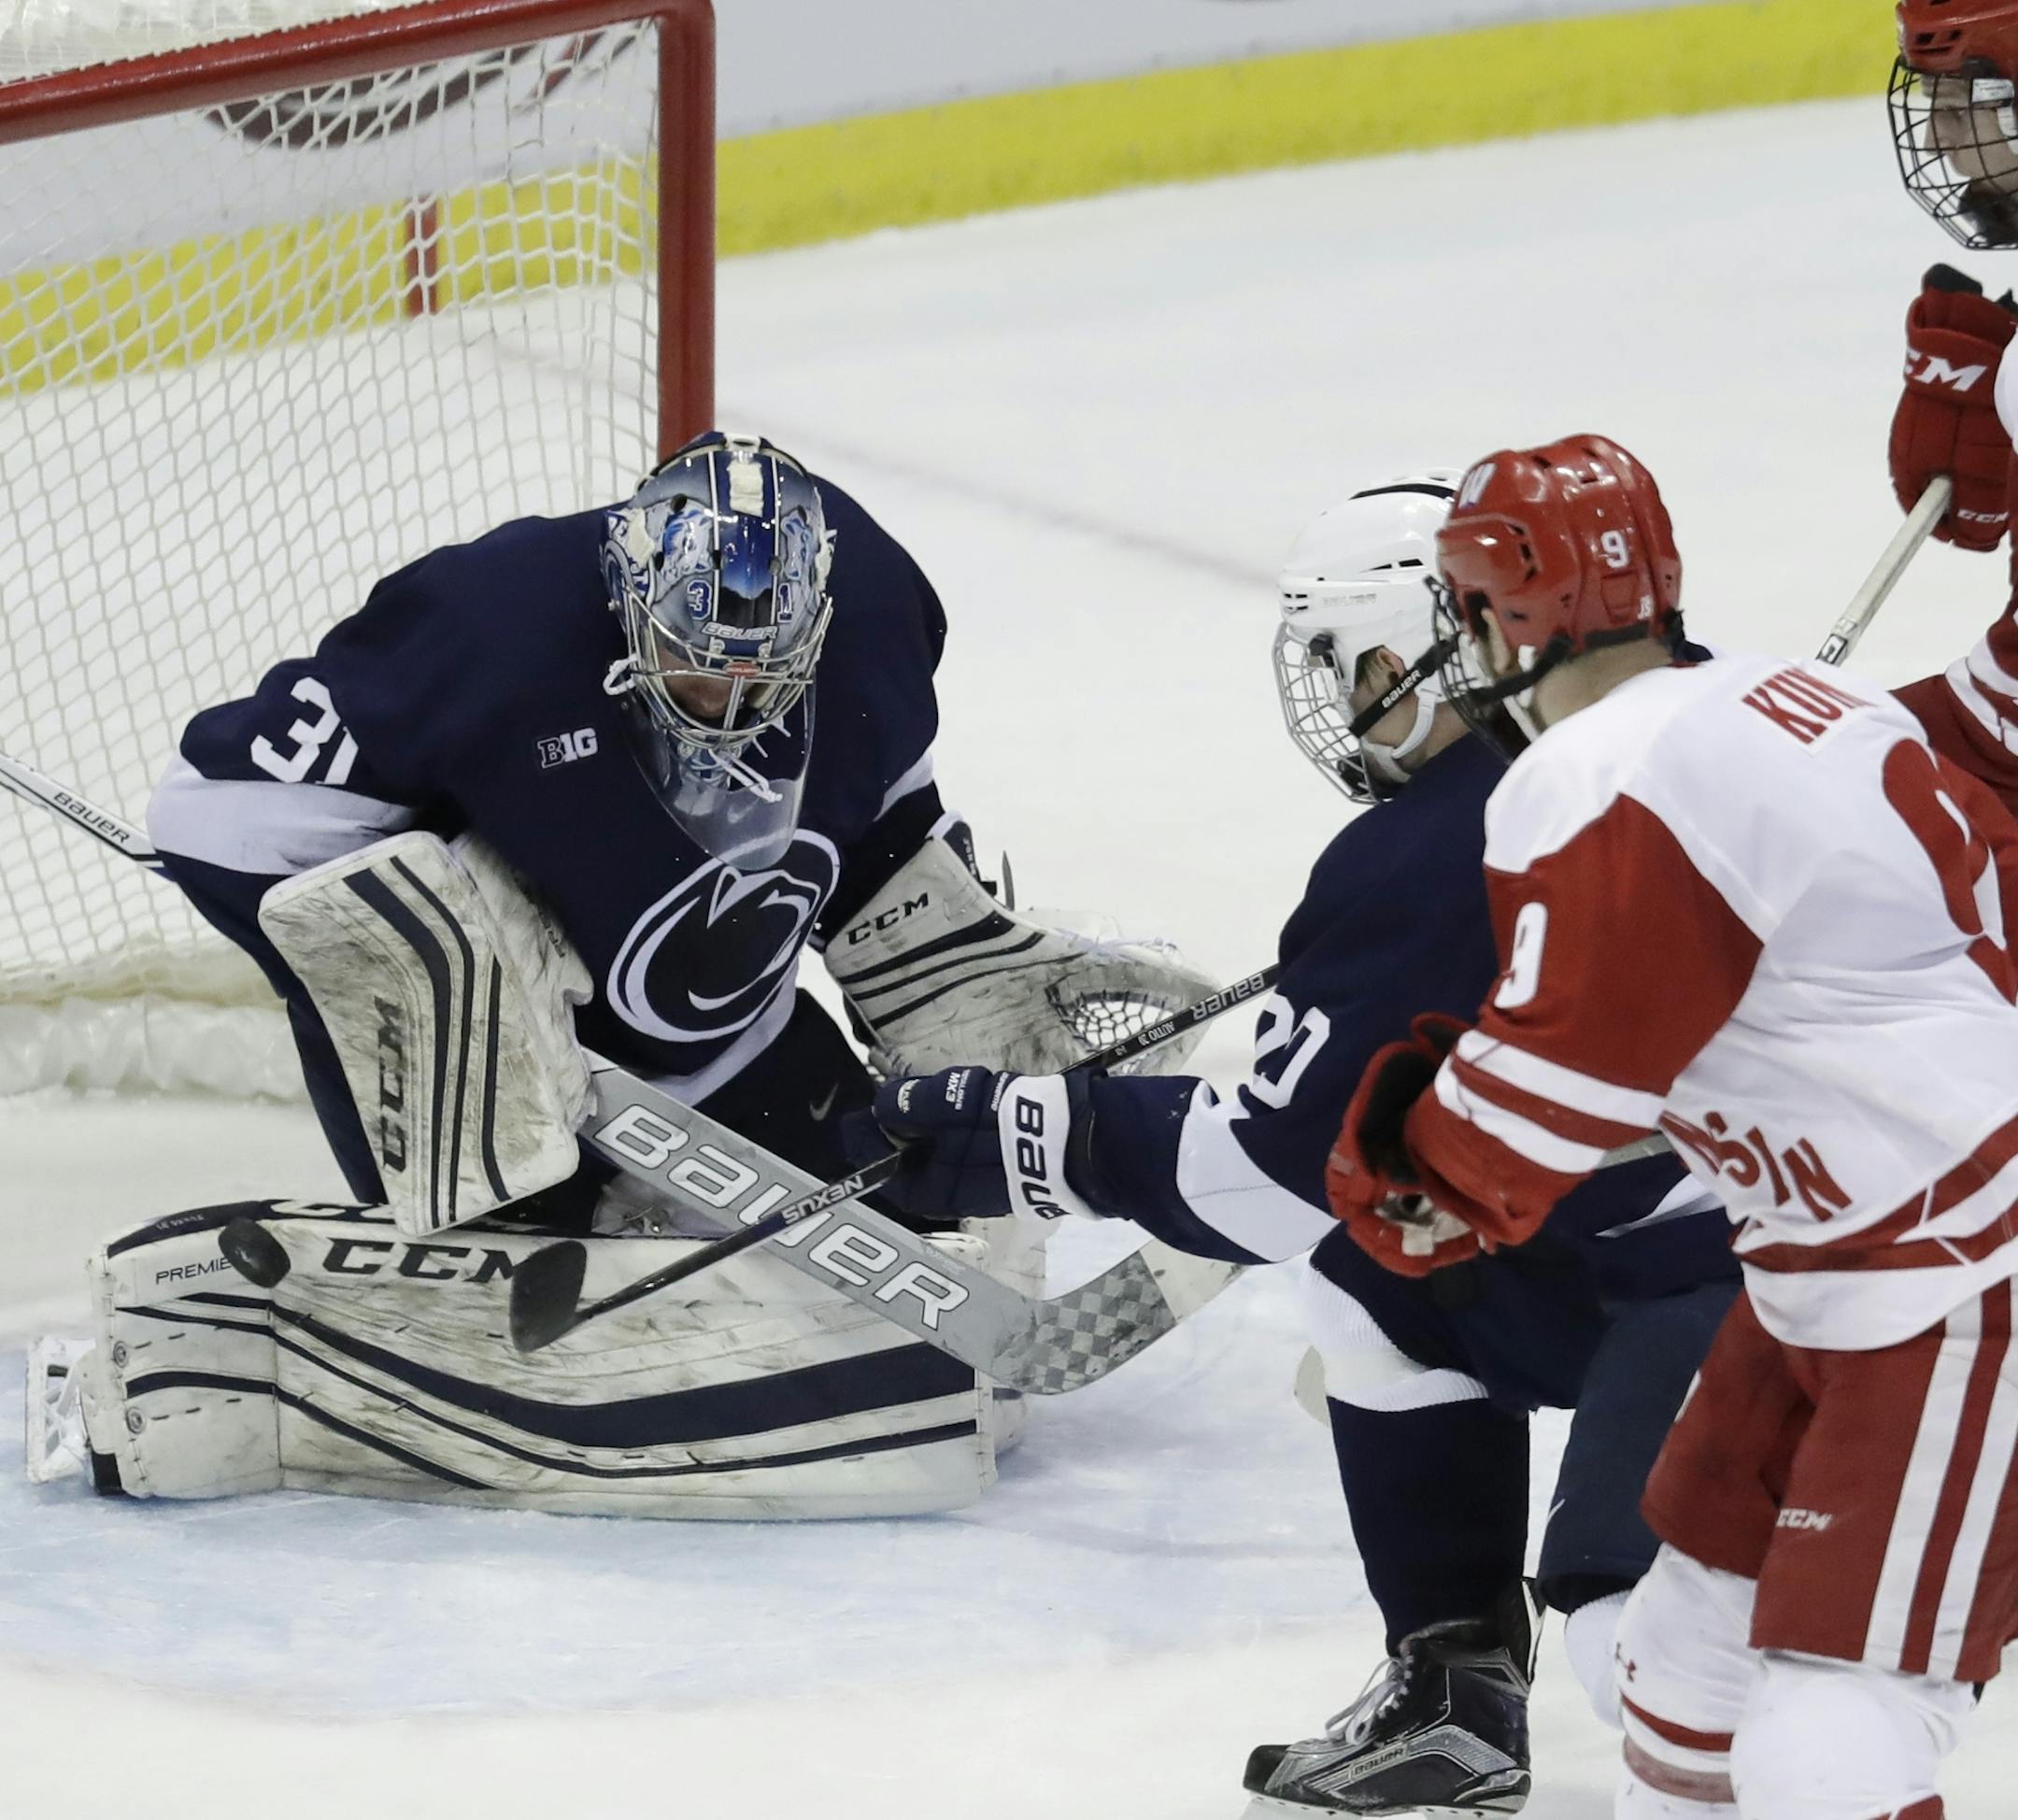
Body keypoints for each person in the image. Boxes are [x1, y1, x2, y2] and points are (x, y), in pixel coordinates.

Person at [22, 431, 1211, 1522]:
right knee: (525, 1215)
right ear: (633, 604)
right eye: (698, 670)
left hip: (730, 1049)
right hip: (496, 1072)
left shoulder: (881, 615)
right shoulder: (492, 626)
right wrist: (452, 953)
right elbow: (216, 813)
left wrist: (937, 944)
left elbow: (876, 822)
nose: (732, 704)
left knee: (913, 1228)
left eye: (765, 673)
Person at [856, 472, 1739, 1816]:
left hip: (1786, 1281)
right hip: (1705, 1244)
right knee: (1381, 1260)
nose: (1340, 700)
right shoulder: (1710, 714)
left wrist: (1004, 1136)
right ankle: (1457, 1693)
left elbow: (1259, 1178)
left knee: (1642, 1653)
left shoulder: (1436, 851)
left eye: (1347, 664)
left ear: (1412, 653)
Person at [1327, 434, 2018, 1820]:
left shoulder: (1594, 775)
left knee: (1830, 1738)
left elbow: (1552, 1090)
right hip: (1827, 1268)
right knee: (1680, 1672)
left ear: (1498, 614)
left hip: (1967, 1286)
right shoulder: (1793, 707)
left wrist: (1419, 1166)